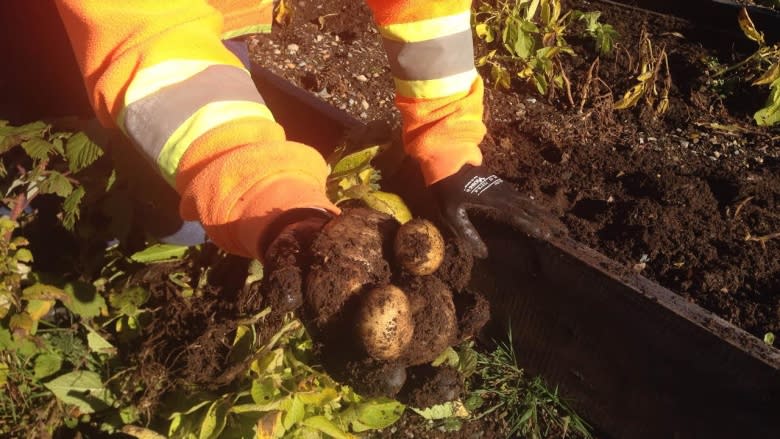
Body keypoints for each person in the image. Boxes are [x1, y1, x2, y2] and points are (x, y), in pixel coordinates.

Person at [51, 0, 555, 268]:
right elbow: (145, 36)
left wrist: (447, 135)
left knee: (183, 218)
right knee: (39, 140)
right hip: (67, 23)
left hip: (208, 13)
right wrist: (266, 194)